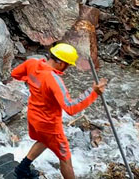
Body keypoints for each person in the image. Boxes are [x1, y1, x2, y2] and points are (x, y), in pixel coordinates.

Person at [10, 43, 108, 179]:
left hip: (33, 116)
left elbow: (15, 74)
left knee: (44, 141)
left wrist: (36, 84)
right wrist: (93, 92)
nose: (67, 68)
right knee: (65, 159)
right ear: (61, 63)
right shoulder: (54, 80)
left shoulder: (32, 63)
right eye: (68, 65)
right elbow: (71, 108)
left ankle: (22, 168)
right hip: (49, 125)